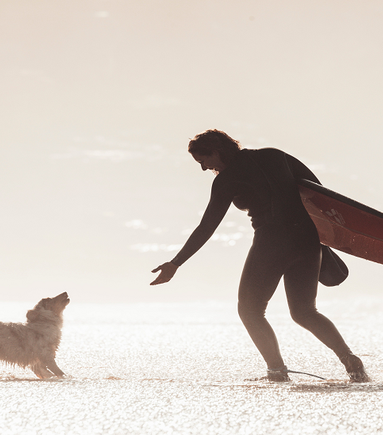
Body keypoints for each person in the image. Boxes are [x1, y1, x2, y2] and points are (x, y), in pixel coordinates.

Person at [150, 129, 369, 382]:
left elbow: (207, 226)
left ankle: (276, 371)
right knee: (304, 312)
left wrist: (176, 263)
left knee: (250, 311)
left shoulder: (226, 180)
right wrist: (326, 240)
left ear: (216, 151)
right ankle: (350, 361)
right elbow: (317, 193)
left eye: (203, 161)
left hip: (272, 242)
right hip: (307, 240)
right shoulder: (275, 156)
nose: (203, 168)